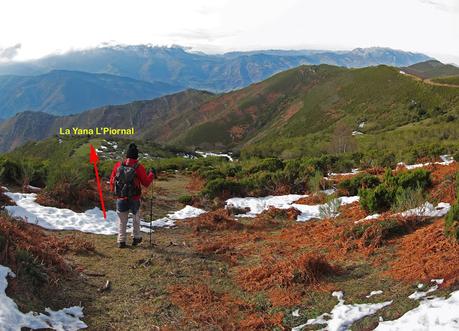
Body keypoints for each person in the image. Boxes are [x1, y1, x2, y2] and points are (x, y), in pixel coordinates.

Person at [110, 143, 154, 248]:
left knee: (122, 220)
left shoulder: (118, 165)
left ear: (127, 155)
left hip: (121, 197)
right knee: (136, 218)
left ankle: (121, 241)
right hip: (134, 197)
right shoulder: (138, 167)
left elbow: (112, 180)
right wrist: (152, 174)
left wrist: (115, 192)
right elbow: (146, 183)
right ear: (136, 156)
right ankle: (136, 237)